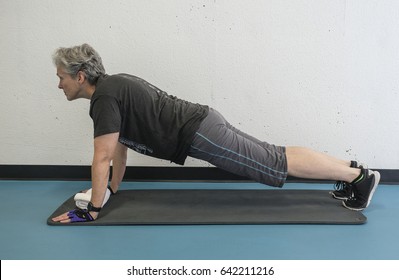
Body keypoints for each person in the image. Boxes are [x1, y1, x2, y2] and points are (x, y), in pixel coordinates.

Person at [51, 43, 380, 223]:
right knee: (276, 155)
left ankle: (357, 177)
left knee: (275, 163)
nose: (59, 83)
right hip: (203, 123)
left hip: (199, 132)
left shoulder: (106, 97)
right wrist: (112, 188)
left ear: (80, 76)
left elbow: (103, 155)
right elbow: (119, 147)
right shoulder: (112, 87)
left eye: (61, 77)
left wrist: (93, 209)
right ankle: (353, 171)